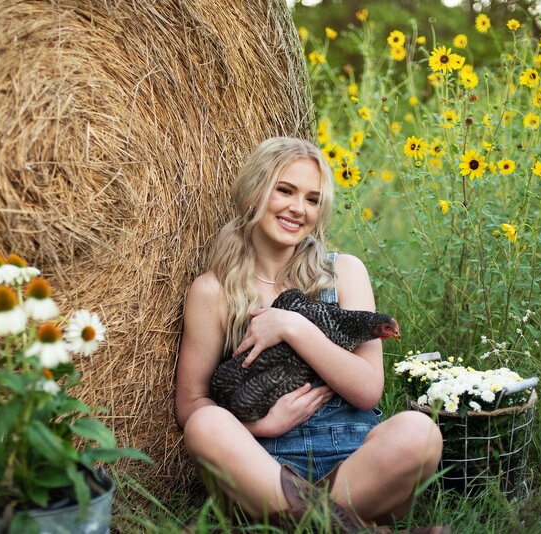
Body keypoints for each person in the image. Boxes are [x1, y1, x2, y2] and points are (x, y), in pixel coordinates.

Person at [175, 137, 443, 528]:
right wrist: (261, 426)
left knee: (421, 432)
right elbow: (192, 403)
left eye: (313, 199)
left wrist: (294, 326)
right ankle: (347, 525)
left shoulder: (345, 273)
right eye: (285, 191)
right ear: (254, 193)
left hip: (353, 462)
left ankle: (302, 522)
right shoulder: (214, 291)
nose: (298, 209)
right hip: (262, 465)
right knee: (204, 426)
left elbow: (368, 391)